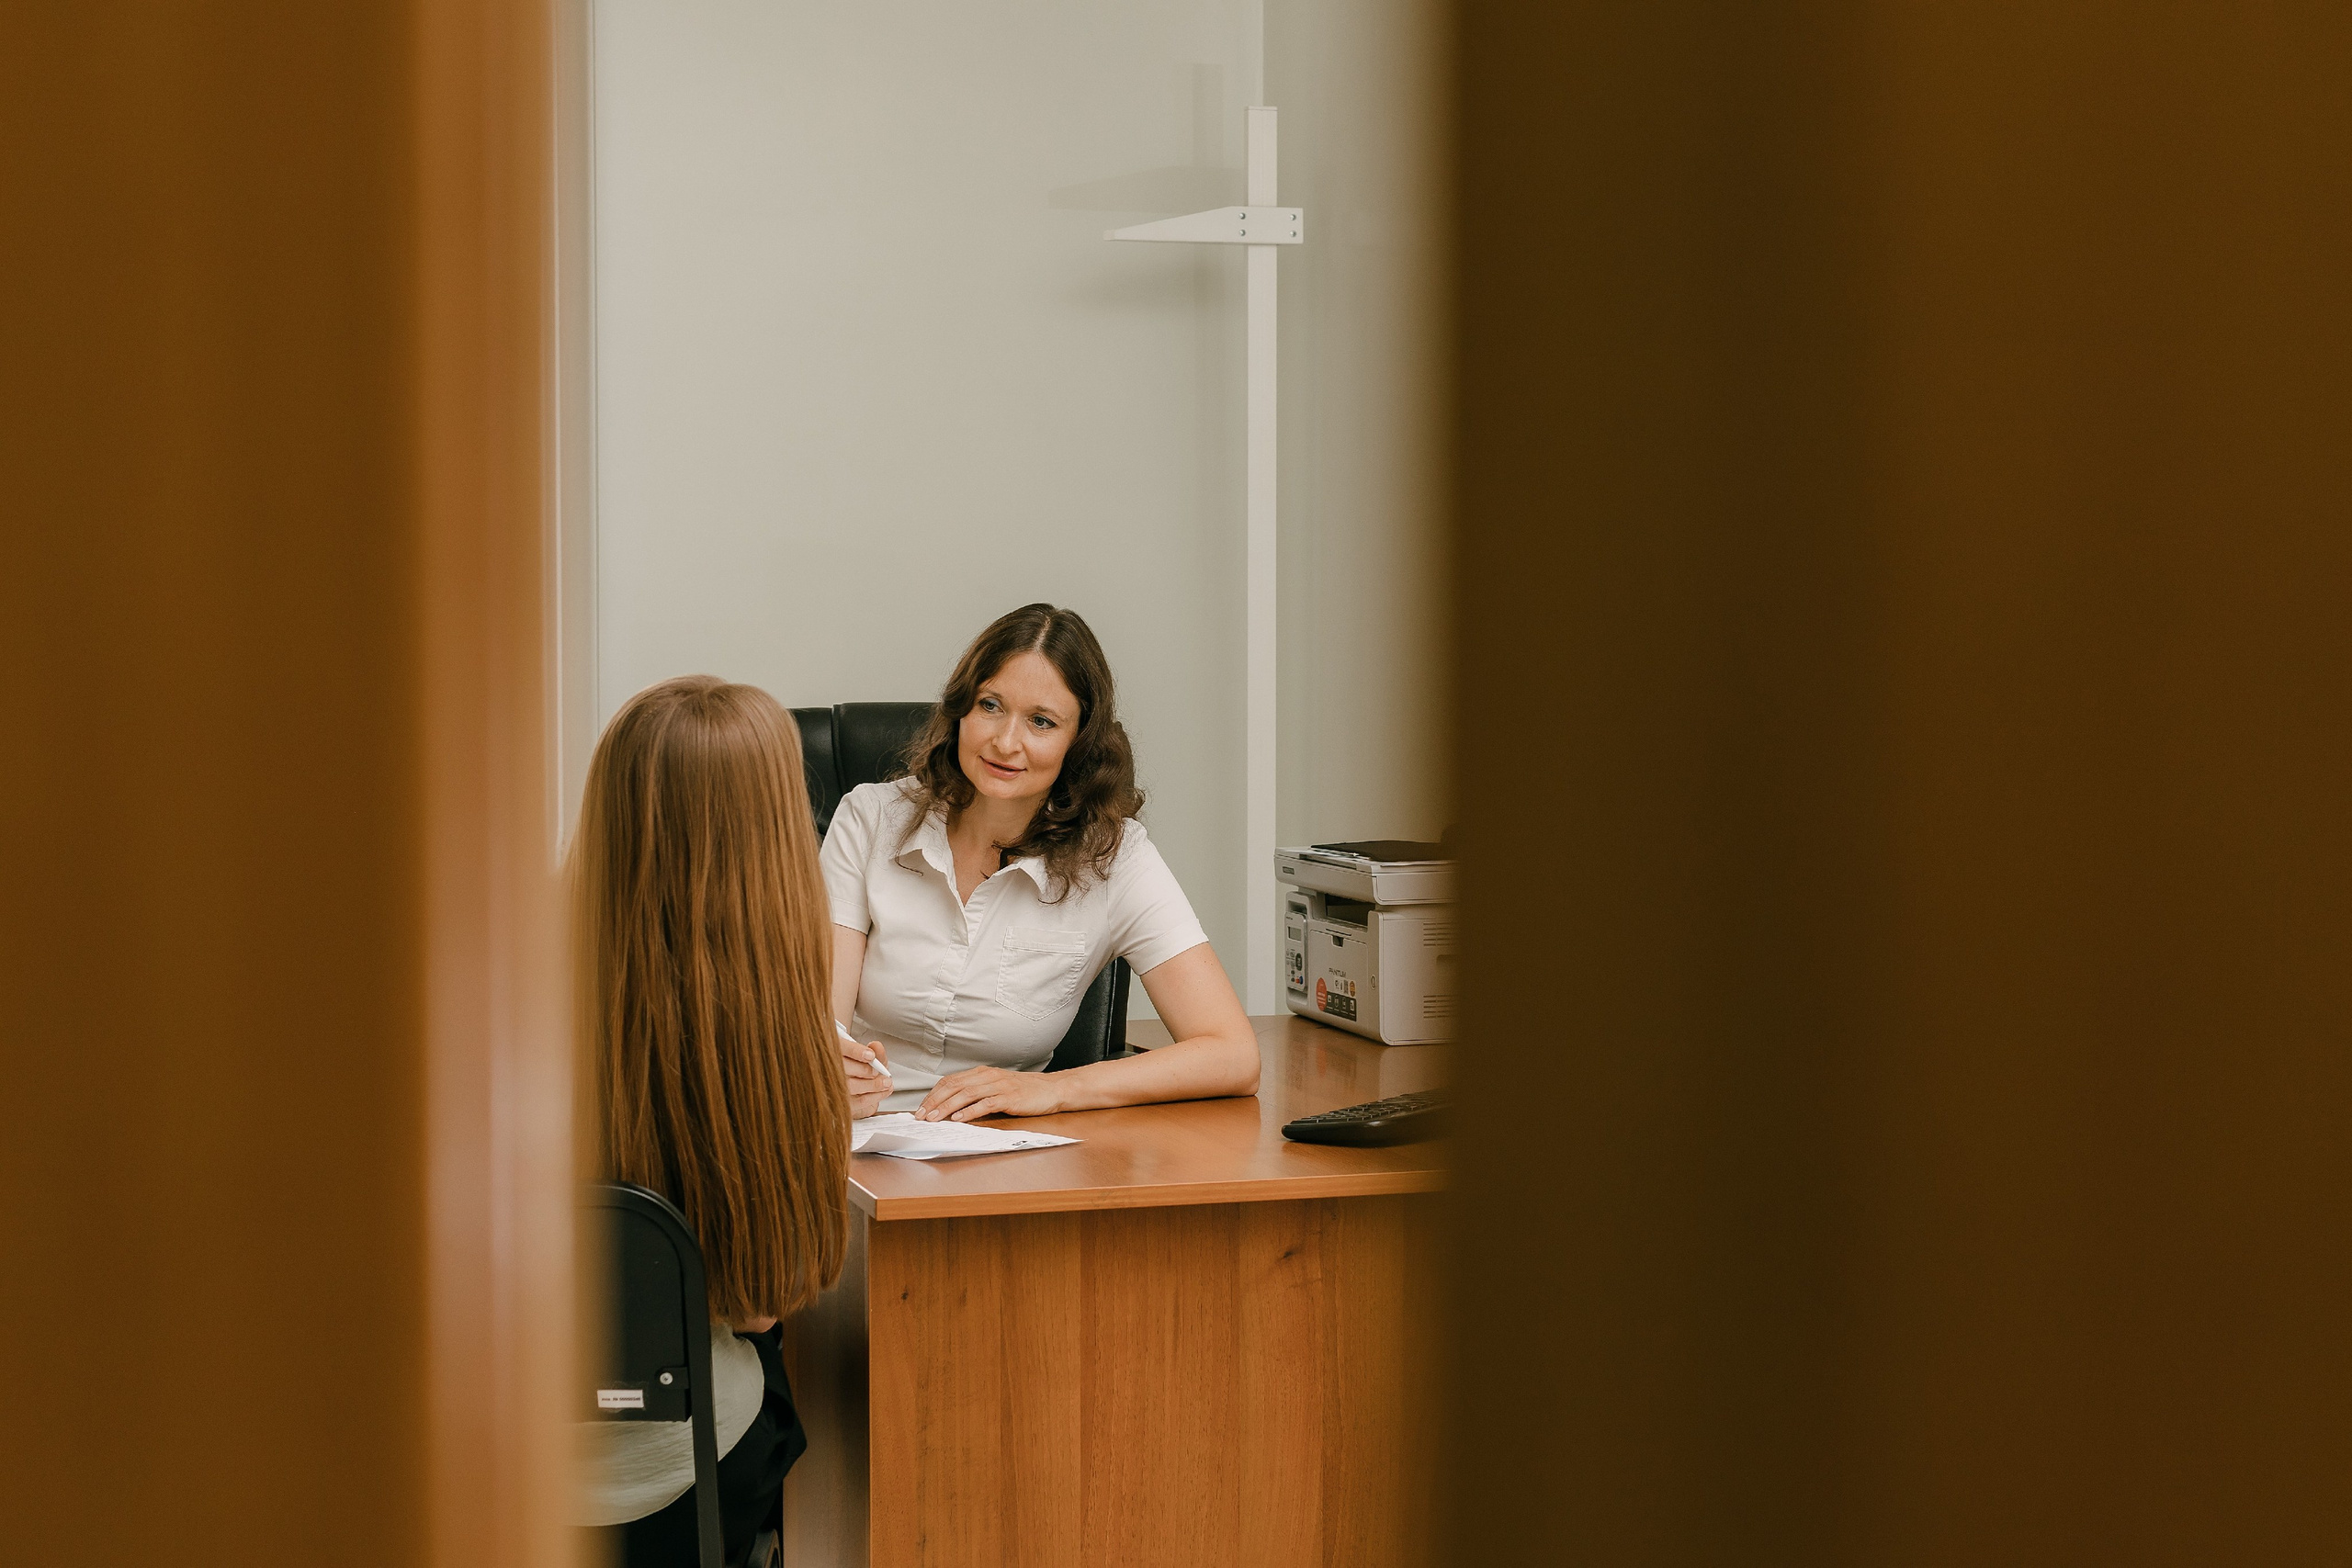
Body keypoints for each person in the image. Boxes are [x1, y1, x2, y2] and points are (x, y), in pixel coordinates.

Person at [572, 676, 852, 1565]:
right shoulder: (774, 1044)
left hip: (482, 1460)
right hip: (680, 1480)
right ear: (771, 841)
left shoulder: (479, 993)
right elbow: (767, 1296)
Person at [823, 603, 1260, 1121]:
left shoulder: (1116, 859)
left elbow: (1232, 1054)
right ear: (960, 709)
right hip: (853, 1138)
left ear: (1080, 742)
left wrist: (1051, 1090)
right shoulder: (871, 820)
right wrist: (823, 1065)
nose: (1007, 742)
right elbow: (819, 1022)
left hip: (1006, 1151)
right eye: (990, 706)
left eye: (1042, 721)